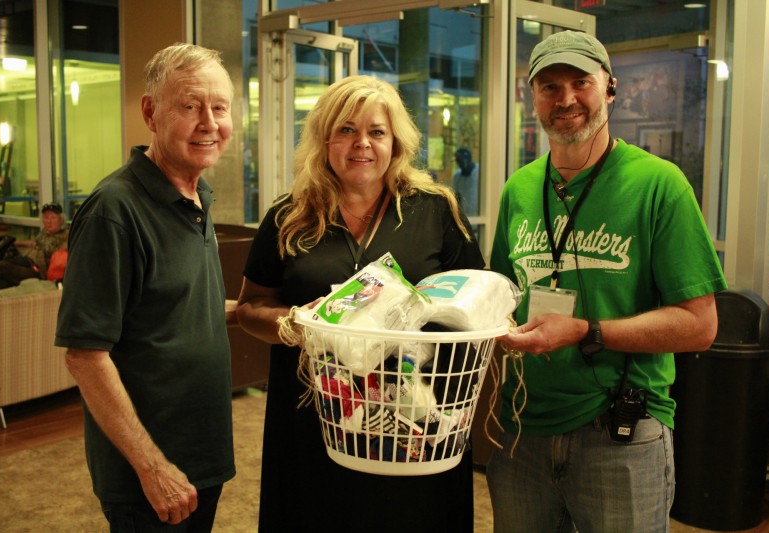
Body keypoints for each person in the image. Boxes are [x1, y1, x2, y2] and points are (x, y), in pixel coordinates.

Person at [487, 31, 727, 533]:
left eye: (581, 82)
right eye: (549, 86)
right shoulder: (519, 188)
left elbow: (699, 326)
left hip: (620, 431)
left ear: (610, 89)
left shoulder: (660, 184)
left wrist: (585, 330)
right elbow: (499, 299)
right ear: (530, 97)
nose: (566, 98)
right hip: (522, 429)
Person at [236, 74, 484, 532]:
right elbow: (251, 306)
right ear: (324, 139)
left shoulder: (436, 211)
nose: (361, 144)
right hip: (315, 415)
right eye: (346, 129)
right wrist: (292, 324)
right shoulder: (288, 216)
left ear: (396, 142)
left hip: (415, 418)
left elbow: (475, 303)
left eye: (376, 131)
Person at [54, 43, 235, 531]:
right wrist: (152, 468)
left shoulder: (196, 197)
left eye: (219, 107)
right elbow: (85, 354)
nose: (209, 122)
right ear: (151, 112)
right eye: (190, 105)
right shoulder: (114, 210)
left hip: (202, 452)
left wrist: (293, 317)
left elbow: (176, 308)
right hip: (151, 470)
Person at [0, 202, 69, 298]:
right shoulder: (45, 233)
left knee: (0, 267)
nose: (49, 221)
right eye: (46, 218)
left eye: (53, 218)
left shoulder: (65, 237)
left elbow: (59, 259)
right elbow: (34, 243)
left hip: (38, 272)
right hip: (26, 262)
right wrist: (17, 243)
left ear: (61, 220)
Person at [452, 147, 480, 216]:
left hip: (479, 215)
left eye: (461, 161)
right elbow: (456, 196)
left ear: (467, 160)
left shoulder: (480, 172)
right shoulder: (457, 176)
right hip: (465, 215)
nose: (460, 164)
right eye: (458, 162)